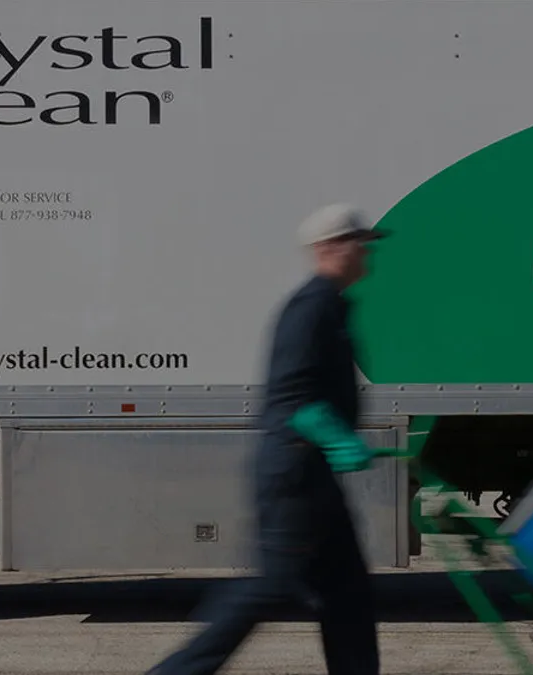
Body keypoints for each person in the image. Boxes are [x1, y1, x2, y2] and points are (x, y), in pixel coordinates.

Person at [147, 203, 392, 675]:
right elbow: (293, 392)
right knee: (271, 586)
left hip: (312, 474)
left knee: (347, 592)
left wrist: (339, 440)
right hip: (294, 476)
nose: (367, 254)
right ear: (329, 248)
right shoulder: (311, 306)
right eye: (360, 244)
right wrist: (337, 436)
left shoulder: (332, 306)